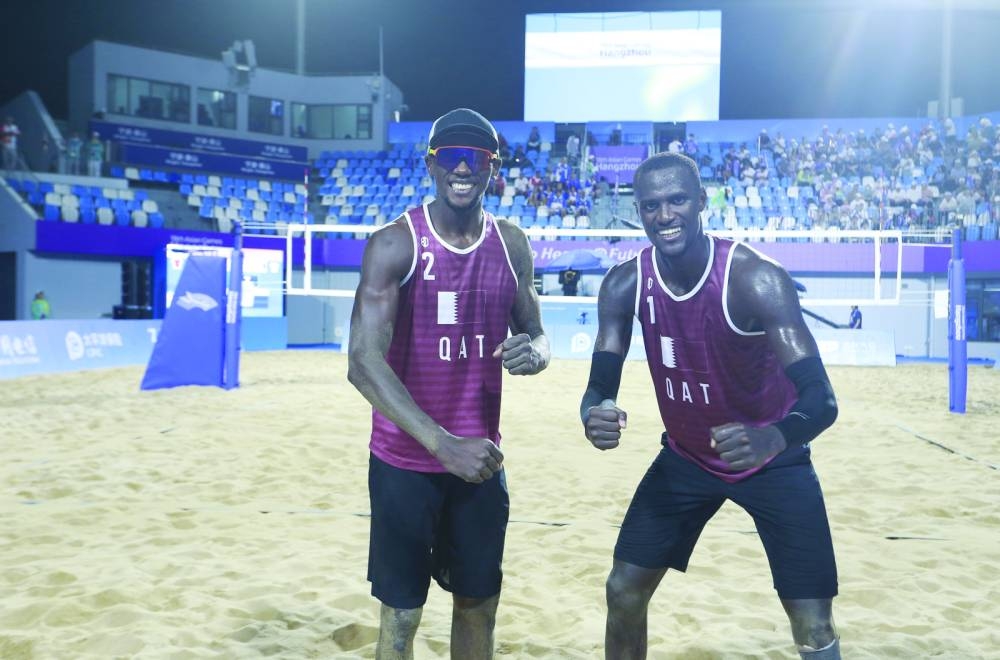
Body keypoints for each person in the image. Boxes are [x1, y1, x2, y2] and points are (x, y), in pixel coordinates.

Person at [580, 152, 841, 659]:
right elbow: (598, 387)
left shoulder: (754, 278)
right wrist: (594, 412)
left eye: (677, 200)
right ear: (639, 210)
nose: (664, 214)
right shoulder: (624, 283)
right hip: (686, 458)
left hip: (773, 460)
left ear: (701, 202)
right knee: (623, 590)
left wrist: (774, 436)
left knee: (812, 625)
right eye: (651, 205)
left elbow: (822, 400)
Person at [347, 107, 550, 660]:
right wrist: (442, 443)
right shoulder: (396, 243)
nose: (463, 168)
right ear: (431, 163)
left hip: (479, 461)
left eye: (476, 157)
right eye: (450, 157)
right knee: (402, 615)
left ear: (493, 166)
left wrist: (537, 351)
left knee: (478, 604)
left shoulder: (511, 244)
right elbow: (362, 363)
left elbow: (536, 332)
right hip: (406, 461)